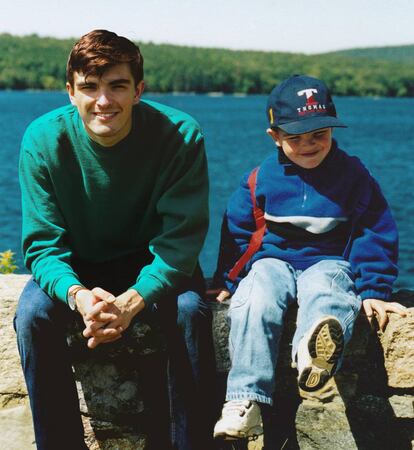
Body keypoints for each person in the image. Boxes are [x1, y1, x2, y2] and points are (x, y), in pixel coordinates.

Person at [15, 29, 215, 450]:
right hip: (80, 265)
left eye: (117, 86)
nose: (103, 101)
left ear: (138, 90)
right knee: (32, 314)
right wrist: (80, 297)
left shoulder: (180, 135)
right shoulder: (43, 140)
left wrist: (131, 301)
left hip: (154, 263)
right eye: (89, 87)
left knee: (190, 311)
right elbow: (43, 246)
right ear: (70, 91)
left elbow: (180, 243)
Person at [211, 74, 407, 440]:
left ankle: (311, 355)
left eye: (318, 135)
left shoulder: (353, 175)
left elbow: (374, 230)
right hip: (273, 262)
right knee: (256, 297)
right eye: (295, 138)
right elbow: (240, 235)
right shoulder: (260, 179)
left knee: (328, 289)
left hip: (328, 260)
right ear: (275, 136)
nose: (308, 145)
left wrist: (374, 290)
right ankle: (244, 401)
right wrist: (228, 281)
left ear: (332, 129)